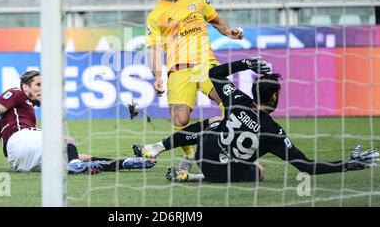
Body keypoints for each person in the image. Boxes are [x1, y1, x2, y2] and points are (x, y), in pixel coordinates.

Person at [133, 57, 379, 183]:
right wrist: (349, 164)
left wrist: (247, 63)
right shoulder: (274, 132)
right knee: (259, 171)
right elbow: (307, 167)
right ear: (274, 96)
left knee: (215, 123)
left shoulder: (236, 98)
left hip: (202, 157)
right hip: (221, 173)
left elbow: (213, 72)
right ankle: (191, 174)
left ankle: (174, 159)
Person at [146, 0, 244, 173]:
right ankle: (189, 156)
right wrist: (158, 76)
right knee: (180, 118)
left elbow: (215, 19)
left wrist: (229, 32)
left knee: (228, 103)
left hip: (205, 64)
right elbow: (153, 49)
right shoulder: (155, 16)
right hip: (179, 69)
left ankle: (233, 150)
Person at [0, 70, 156, 175]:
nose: (43, 89)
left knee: (78, 158)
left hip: (20, 162)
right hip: (22, 143)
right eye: (38, 85)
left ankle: (125, 163)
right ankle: (75, 164)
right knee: (66, 139)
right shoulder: (16, 93)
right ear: (25, 87)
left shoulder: (14, 118)